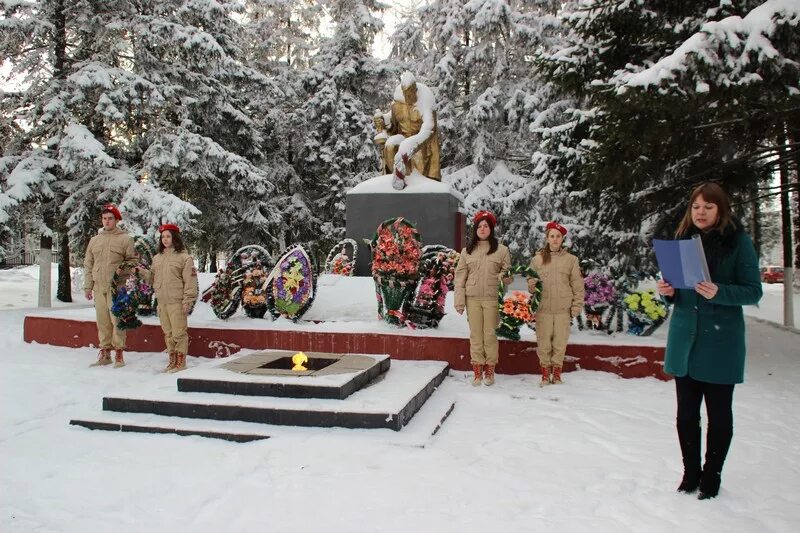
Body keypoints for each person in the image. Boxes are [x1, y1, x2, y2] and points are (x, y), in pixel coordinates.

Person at [657, 182, 762, 500]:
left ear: (721, 209)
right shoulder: (682, 242)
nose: (700, 212)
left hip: (720, 344)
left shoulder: (738, 243)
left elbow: (753, 290)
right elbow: (678, 293)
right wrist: (669, 292)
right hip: (684, 341)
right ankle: (691, 473)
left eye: (708, 206)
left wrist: (721, 291)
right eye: (696, 206)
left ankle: (712, 475)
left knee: (719, 415)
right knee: (686, 415)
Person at [454, 211, 512, 386]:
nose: (482, 229)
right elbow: (460, 277)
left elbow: (508, 274)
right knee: (476, 335)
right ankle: (477, 371)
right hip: (473, 299)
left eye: (486, 226)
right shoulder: (467, 252)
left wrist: (504, 276)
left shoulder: (502, 250)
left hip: (492, 299)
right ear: (475, 229)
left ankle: (490, 371)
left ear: (491, 229)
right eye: (479, 226)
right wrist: (459, 301)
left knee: (490, 335)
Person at [526, 221, 584, 386]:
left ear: (562, 238)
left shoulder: (571, 260)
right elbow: (530, 280)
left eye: (558, 236)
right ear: (547, 238)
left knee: (559, 343)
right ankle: (545, 373)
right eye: (552, 236)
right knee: (544, 342)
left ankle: (557, 373)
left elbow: (578, 285)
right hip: (543, 308)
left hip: (562, 310)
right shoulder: (537, 260)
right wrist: (532, 284)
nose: (555, 239)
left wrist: (576, 306)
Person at [84, 204, 139, 368]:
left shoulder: (125, 239)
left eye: (110, 219)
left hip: (116, 287)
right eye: (104, 218)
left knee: (117, 320)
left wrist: (122, 272)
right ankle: (105, 354)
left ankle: (119, 354)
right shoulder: (95, 240)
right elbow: (88, 264)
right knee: (102, 321)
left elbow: (132, 261)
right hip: (98, 287)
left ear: (116, 220)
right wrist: (88, 286)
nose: (106, 221)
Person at [139, 224, 199, 373]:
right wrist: (141, 272)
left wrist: (188, 301)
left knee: (179, 333)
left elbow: (190, 282)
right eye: (163, 237)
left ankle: (181, 361)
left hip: (177, 301)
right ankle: (172, 360)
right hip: (162, 301)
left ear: (175, 238)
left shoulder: (185, 258)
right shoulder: (157, 258)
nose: (165, 239)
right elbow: (152, 279)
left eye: (168, 236)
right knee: (168, 333)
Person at [373, 71, 441, 189]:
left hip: (421, 141)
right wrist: (383, 121)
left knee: (418, 156)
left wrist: (412, 144)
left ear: (415, 90)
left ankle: (418, 186)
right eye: (406, 95)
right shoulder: (398, 104)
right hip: (403, 136)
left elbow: (429, 129)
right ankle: (394, 181)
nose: (408, 98)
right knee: (390, 146)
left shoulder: (425, 100)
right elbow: (393, 123)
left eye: (410, 94)